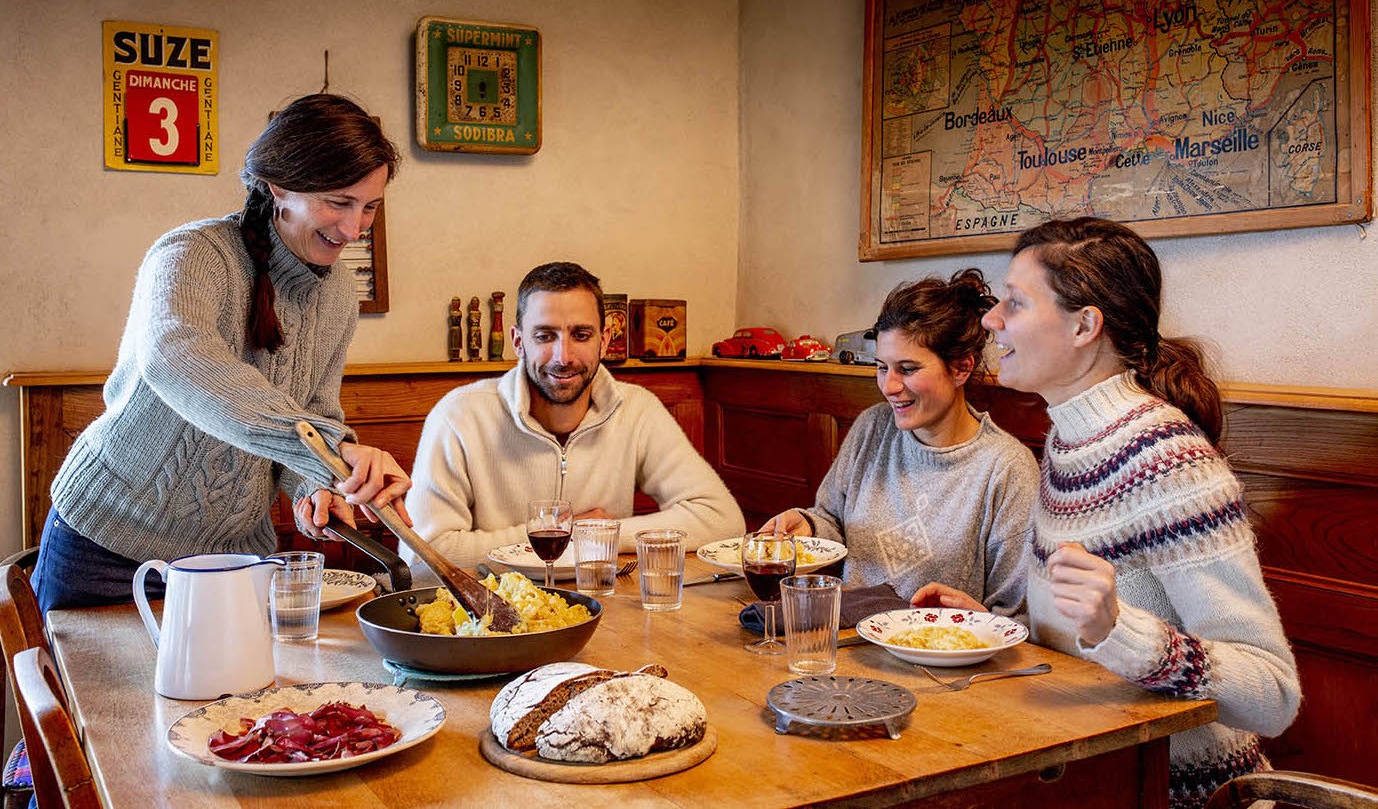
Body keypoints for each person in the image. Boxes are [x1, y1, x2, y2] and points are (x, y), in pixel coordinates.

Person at [33, 94, 413, 613]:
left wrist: (316, 485)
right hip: (108, 542)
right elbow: (179, 361)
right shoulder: (193, 254)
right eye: (338, 202)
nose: (354, 229)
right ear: (279, 188)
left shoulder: (338, 293)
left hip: (234, 561)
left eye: (369, 206)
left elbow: (315, 414)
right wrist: (327, 452)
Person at [968, 217, 1300, 808]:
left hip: (1181, 796)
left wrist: (1121, 632)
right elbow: (1078, 642)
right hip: (1094, 781)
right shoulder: (1066, 441)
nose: (992, 320)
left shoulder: (1167, 461)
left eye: (1014, 304)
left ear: (1084, 325)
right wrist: (984, 623)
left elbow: (1271, 693)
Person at [406, 261, 746, 568]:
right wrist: (555, 533)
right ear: (518, 341)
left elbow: (722, 519)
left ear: (604, 340)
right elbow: (422, 556)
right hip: (493, 622)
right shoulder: (459, 415)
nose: (563, 356)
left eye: (580, 335)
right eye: (544, 335)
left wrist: (594, 533)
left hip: (606, 612)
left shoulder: (637, 409)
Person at [760, 270, 1038, 615]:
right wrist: (808, 527)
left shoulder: (1006, 468)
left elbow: (1017, 613)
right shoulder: (873, 428)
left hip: (940, 657)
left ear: (961, 368)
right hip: (848, 638)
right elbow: (831, 520)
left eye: (907, 369)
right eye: (881, 367)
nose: (889, 386)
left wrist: (976, 617)